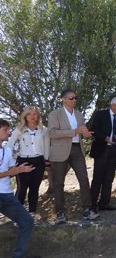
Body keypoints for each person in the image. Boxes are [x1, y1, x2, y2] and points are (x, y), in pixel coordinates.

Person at [48, 89, 96, 224]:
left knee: (84, 179)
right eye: (71, 98)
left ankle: (88, 209)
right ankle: (60, 213)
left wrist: (85, 133)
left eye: (75, 98)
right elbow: (52, 133)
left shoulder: (79, 115)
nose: (74, 100)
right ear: (63, 99)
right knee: (58, 183)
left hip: (76, 150)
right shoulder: (55, 114)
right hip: (59, 151)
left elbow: (83, 131)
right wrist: (74, 131)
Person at [0, 119, 41, 258]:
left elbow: (12, 169)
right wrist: (10, 173)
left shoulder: (7, 150)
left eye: (8, 129)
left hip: (7, 196)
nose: (9, 132)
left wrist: (21, 169)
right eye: (5, 129)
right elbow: (9, 172)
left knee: (26, 221)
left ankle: (18, 256)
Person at [7, 106, 49, 222]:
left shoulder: (43, 130)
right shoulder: (19, 129)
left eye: (35, 114)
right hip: (23, 162)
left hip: (39, 161)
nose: (32, 116)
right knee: (21, 189)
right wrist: (9, 162)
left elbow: (46, 146)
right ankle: (17, 217)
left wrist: (46, 160)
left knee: (34, 189)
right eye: (29, 114)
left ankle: (31, 214)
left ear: (38, 116)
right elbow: (9, 146)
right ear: (25, 116)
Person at [89, 97, 116, 212]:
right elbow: (94, 130)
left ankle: (104, 203)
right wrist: (105, 138)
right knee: (98, 178)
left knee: (109, 179)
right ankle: (92, 205)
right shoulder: (101, 114)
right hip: (102, 149)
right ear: (113, 105)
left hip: (114, 151)